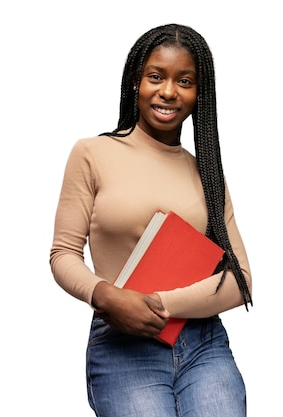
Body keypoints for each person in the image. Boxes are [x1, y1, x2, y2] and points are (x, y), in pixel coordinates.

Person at [49, 23, 253, 417]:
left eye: (185, 81)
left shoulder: (208, 174)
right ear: (134, 82)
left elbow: (240, 280)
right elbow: (62, 254)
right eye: (155, 77)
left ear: (199, 95)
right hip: (124, 346)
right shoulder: (92, 154)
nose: (168, 91)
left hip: (204, 344)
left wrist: (158, 304)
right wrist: (106, 295)